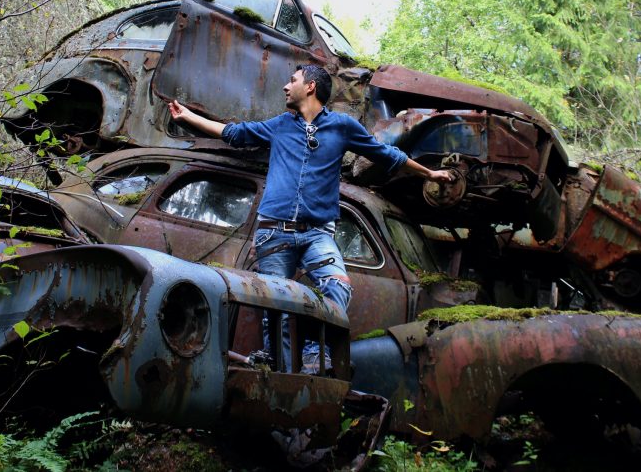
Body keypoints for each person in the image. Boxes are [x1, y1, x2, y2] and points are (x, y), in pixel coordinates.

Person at [169, 64, 454, 368]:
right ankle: (282, 377)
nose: (285, 86)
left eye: (292, 80)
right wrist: (188, 117)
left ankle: (315, 354)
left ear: (310, 87)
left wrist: (431, 173)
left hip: (317, 234)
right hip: (274, 233)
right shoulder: (280, 125)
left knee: (338, 285)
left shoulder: (342, 127)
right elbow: (235, 133)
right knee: (276, 308)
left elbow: (387, 155)